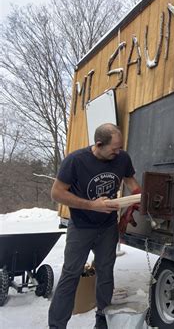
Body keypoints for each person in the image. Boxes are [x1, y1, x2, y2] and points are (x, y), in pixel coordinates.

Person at [48, 123, 140, 329]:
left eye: (120, 148)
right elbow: (57, 193)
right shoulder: (75, 161)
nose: (118, 153)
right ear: (99, 144)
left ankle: (103, 319)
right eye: (114, 149)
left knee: (106, 272)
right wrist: (92, 205)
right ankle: (56, 325)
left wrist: (138, 195)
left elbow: (130, 180)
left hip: (107, 226)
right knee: (71, 274)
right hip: (81, 226)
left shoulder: (122, 158)